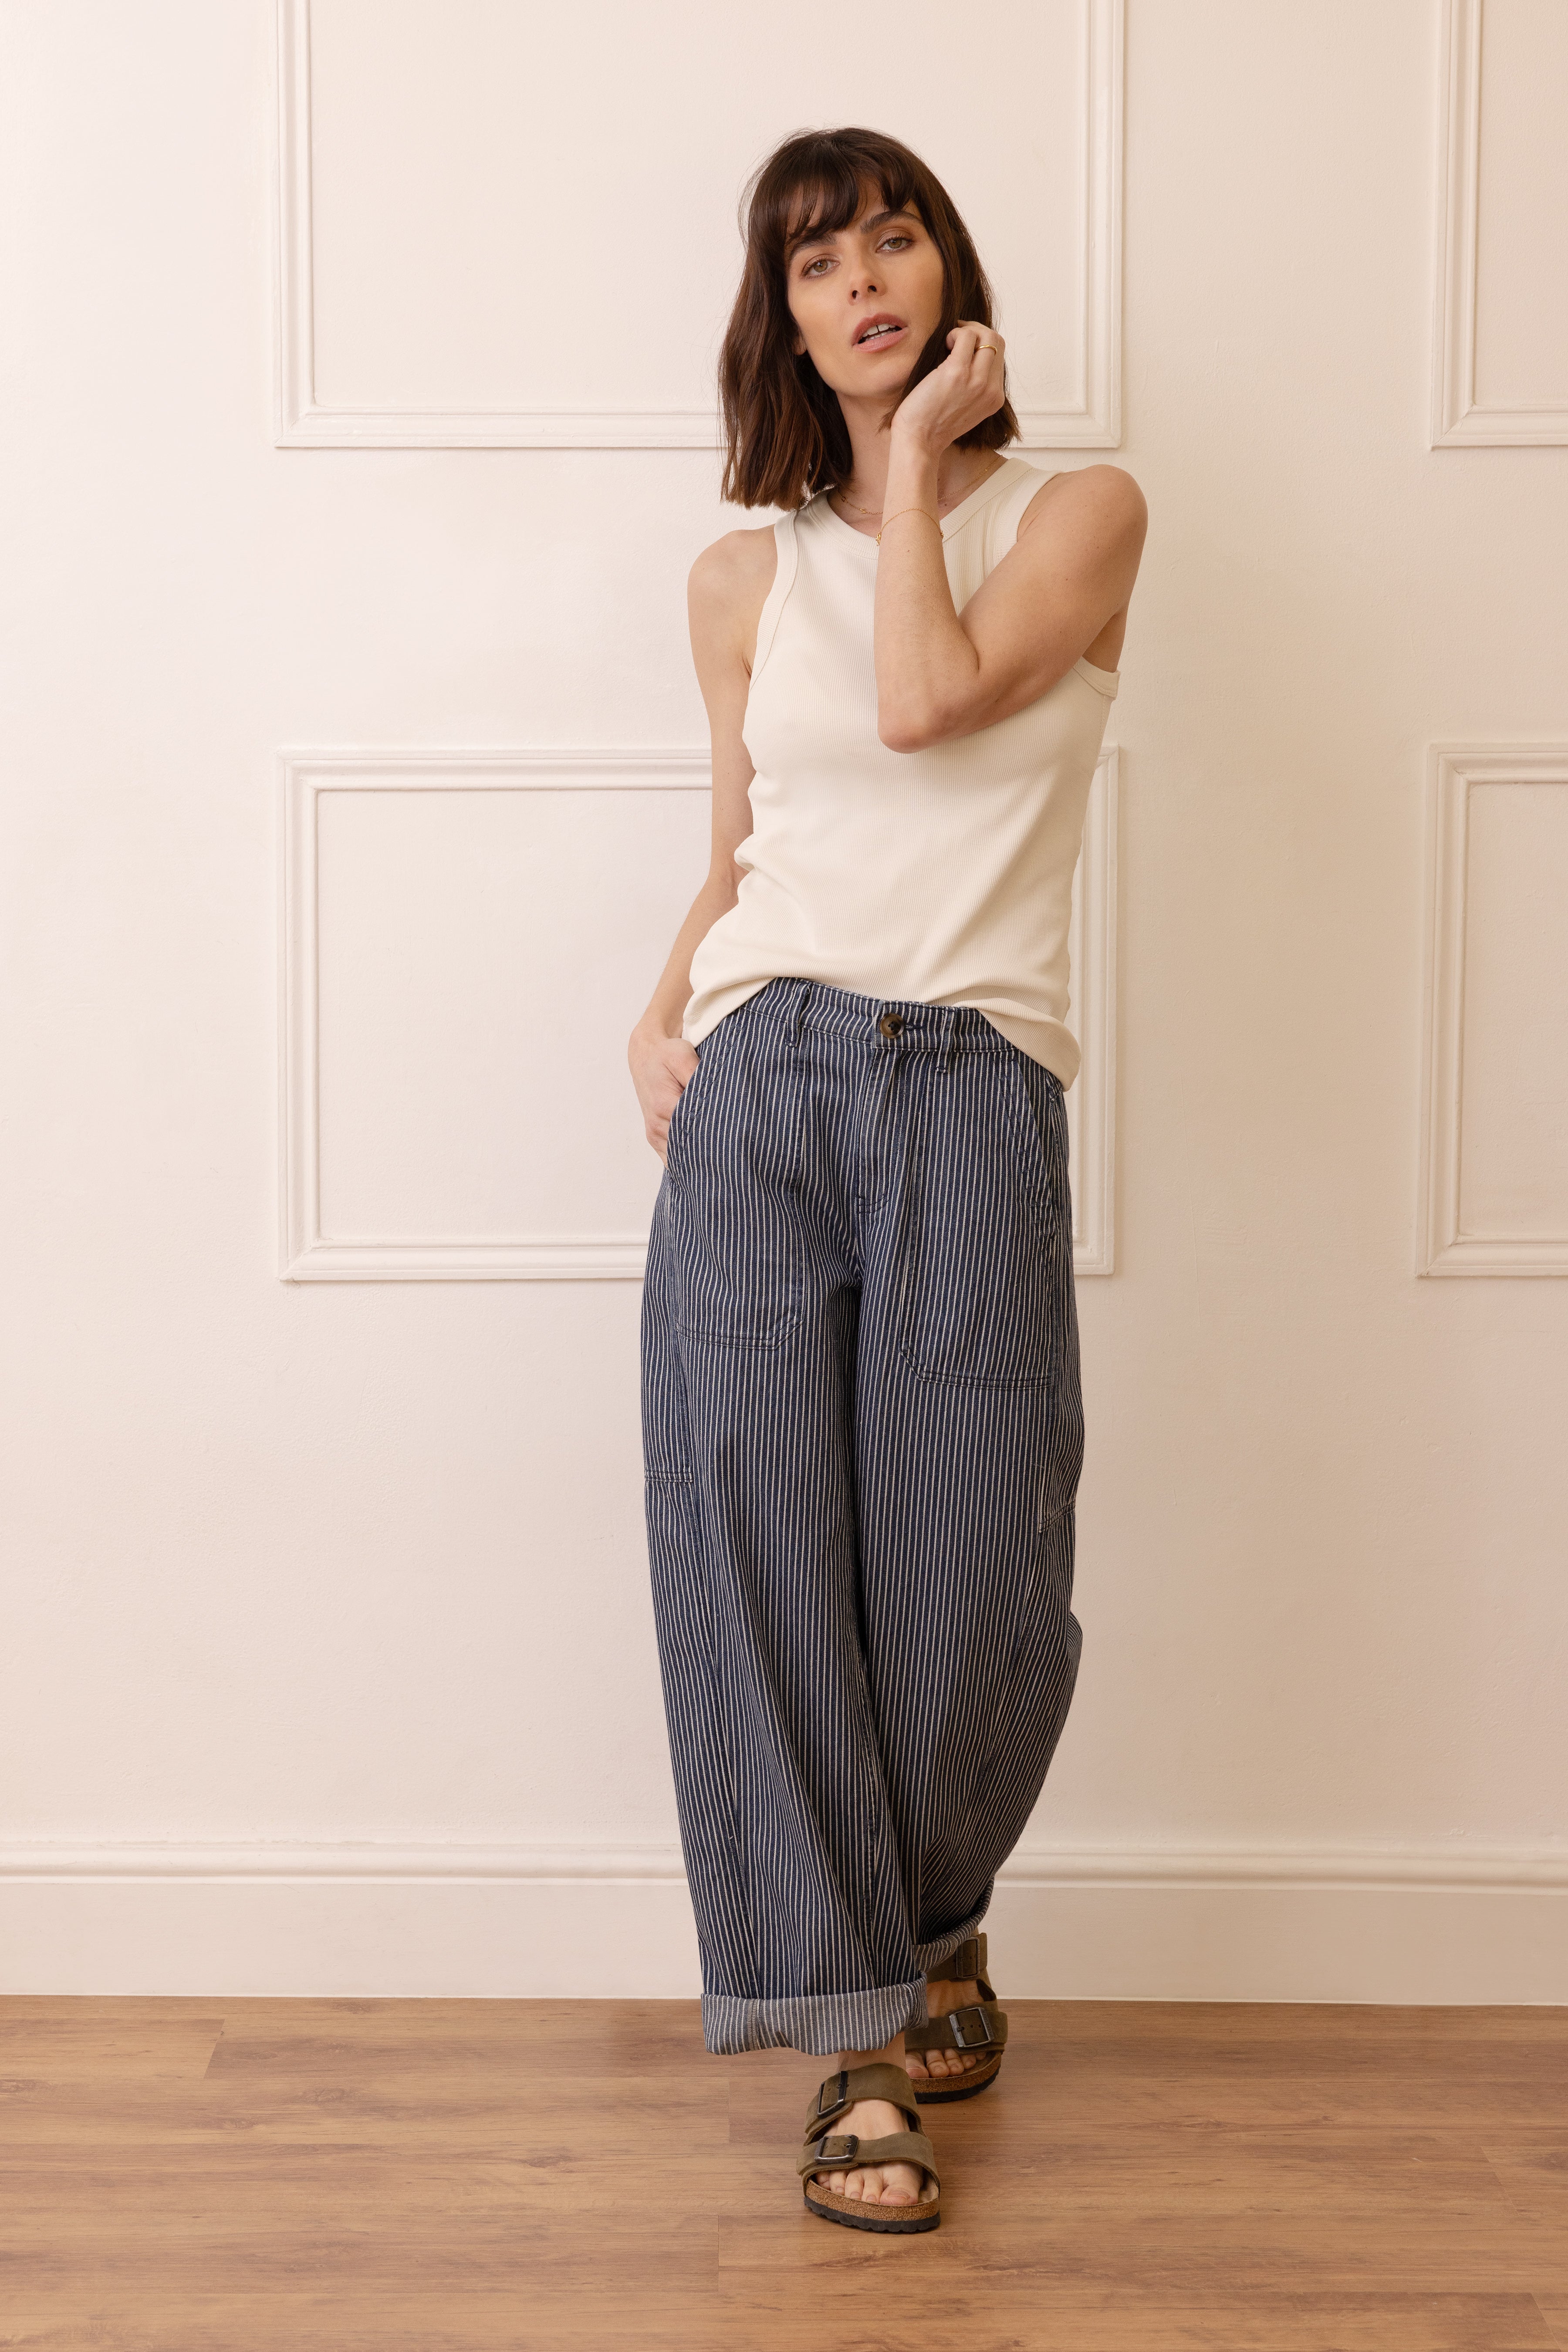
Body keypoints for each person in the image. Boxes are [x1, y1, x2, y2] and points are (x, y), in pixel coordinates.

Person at [627, 125, 1147, 2236]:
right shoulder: (739, 577)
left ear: (948, 271)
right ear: (783, 308)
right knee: (755, 1556)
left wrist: (919, 464)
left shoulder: (1077, 517)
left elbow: (927, 705)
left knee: (976, 1591)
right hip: (763, 1083)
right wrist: (664, 1006)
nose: (866, 279)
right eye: (818, 256)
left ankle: (935, 1922)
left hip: (968, 1091)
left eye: (897, 236)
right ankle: (858, 2050)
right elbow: (747, 836)